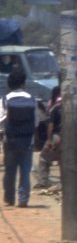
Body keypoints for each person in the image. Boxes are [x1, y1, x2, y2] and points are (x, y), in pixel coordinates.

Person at [1, 69, 38, 207]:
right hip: (28, 141)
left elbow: (0, 120)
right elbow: (36, 122)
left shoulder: (5, 99)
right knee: (25, 170)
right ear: (24, 83)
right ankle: (23, 199)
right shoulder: (32, 99)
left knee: (10, 170)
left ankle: (9, 198)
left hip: (10, 141)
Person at [35, 85, 62, 189]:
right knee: (64, 160)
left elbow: (50, 126)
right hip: (71, 137)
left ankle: (43, 181)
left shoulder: (55, 108)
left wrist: (49, 140)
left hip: (57, 136)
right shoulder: (71, 106)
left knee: (44, 158)